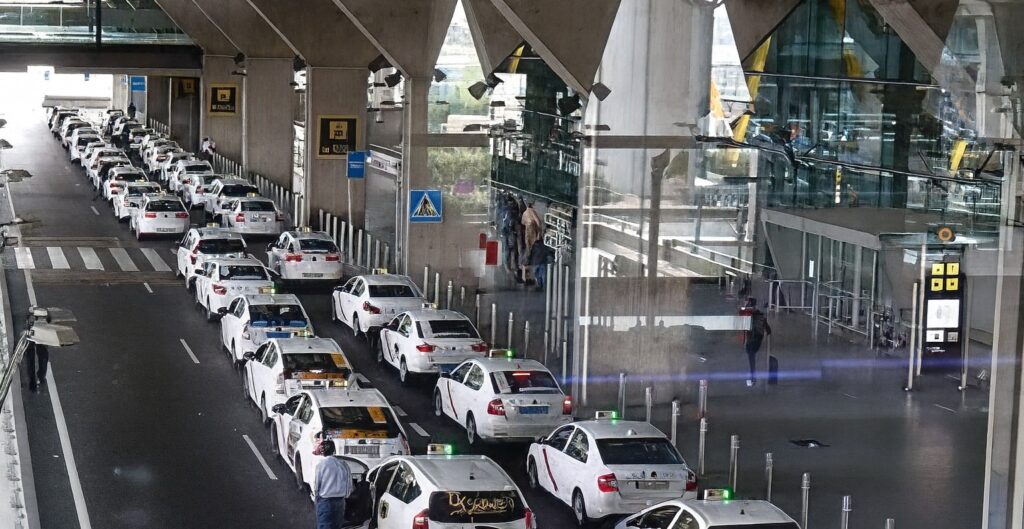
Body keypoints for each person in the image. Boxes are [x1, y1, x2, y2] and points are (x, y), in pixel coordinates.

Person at [313, 433, 352, 529]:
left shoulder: (321, 465)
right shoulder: (343, 464)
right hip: (340, 502)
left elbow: (317, 485)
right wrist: (345, 497)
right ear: (334, 450)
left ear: (322, 452)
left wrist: (317, 498)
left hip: (325, 501)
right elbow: (349, 485)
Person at [743, 298, 771, 387]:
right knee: (751, 354)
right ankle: (753, 374)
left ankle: (753, 375)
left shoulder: (748, 313)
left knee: (750, 353)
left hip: (753, 338)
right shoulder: (761, 315)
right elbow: (768, 330)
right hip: (758, 338)